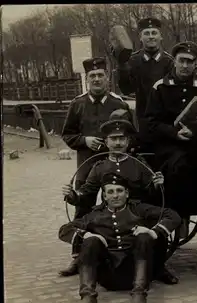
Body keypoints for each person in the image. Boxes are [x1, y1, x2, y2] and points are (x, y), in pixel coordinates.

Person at [60, 111, 178, 285]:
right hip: (111, 211)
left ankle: (158, 267)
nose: (117, 143)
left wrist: (156, 184)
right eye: (113, 139)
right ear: (106, 142)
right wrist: (73, 195)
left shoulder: (138, 163)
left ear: (128, 141)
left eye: (121, 139)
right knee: (91, 225)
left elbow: (152, 192)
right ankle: (85, 259)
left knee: (154, 224)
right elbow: (87, 192)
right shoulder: (99, 167)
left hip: (137, 212)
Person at [59, 173, 181, 303]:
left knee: (143, 237)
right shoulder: (95, 215)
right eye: (110, 192)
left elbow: (173, 215)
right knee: (91, 242)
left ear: (127, 193)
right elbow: (64, 230)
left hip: (134, 270)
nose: (115, 196)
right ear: (104, 196)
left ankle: (139, 295)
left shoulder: (138, 209)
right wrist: (87, 235)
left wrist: (153, 232)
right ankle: (88, 298)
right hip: (108, 276)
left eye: (119, 191)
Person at [143, 41, 197, 238]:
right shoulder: (160, 87)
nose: (185, 66)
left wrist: (196, 133)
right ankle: (178, 216)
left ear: (196, 64)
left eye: (190, 61)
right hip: (168, 146)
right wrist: (174, 133)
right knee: (178, 165)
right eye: (182, 61)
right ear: (174, 61)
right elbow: (151, 122)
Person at [61, 57, 134, 220]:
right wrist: (84, 140)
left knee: (119, 200)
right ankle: (82, 237)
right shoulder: (77, 104)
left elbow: (131, 134)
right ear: (87, 79)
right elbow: (67, 134)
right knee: (83, 205)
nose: (96, 79)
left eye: (100, 75)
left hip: (115, 162)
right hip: (87, 162)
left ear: (107, 77)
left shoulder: (119, 103)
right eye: (92, 76)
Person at [116, 17, 174, 152]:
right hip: (141, 123)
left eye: (154, 33)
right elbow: (126, 89)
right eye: (146, 33)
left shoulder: (170, 63)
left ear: (161, 37)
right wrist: (122, 65)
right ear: (140, 38)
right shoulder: (132, 61)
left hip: (165, 123)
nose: (151, 37)